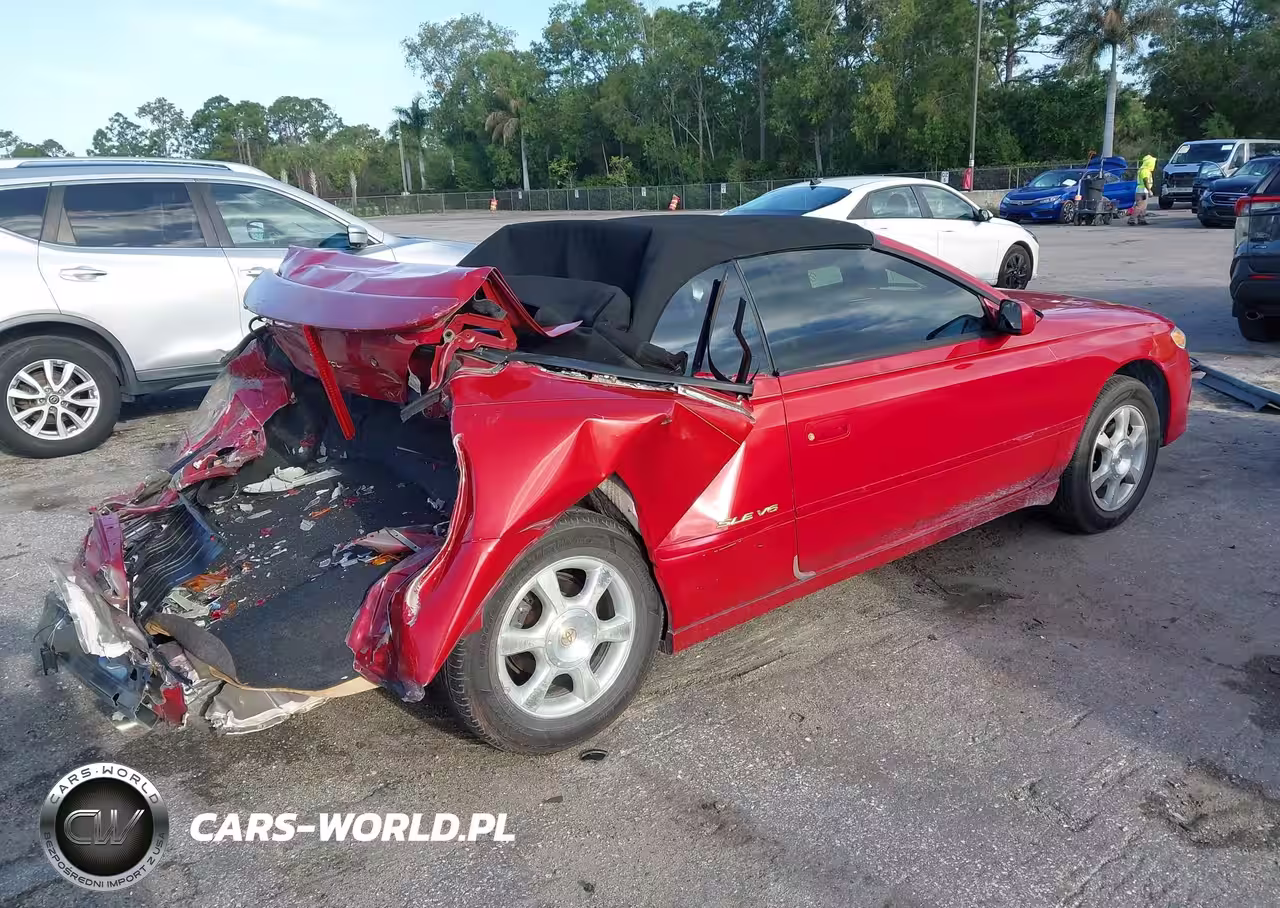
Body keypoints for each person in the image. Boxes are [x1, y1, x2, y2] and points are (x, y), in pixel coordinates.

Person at [1130, 154, 1156, 225]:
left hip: (1141, 190)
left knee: (1143, 207)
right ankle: (1132, 219)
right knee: (1140, 206)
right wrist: (1149, 190)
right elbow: (1145, 180)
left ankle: (1141, 220)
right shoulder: (1145, 170)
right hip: (1142, 191)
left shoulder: (1143, 169)